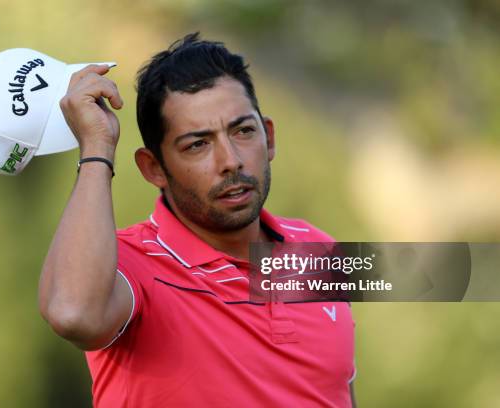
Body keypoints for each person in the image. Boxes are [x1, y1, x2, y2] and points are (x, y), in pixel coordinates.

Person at [39, 33, 356, 407]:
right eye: (197, 144)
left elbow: (338, 392)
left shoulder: (318, 249)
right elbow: (73, 315)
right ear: (153, 167)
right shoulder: (130, 263)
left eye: (243, 131)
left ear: (268, 137)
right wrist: (96, 149)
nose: (231, 160)